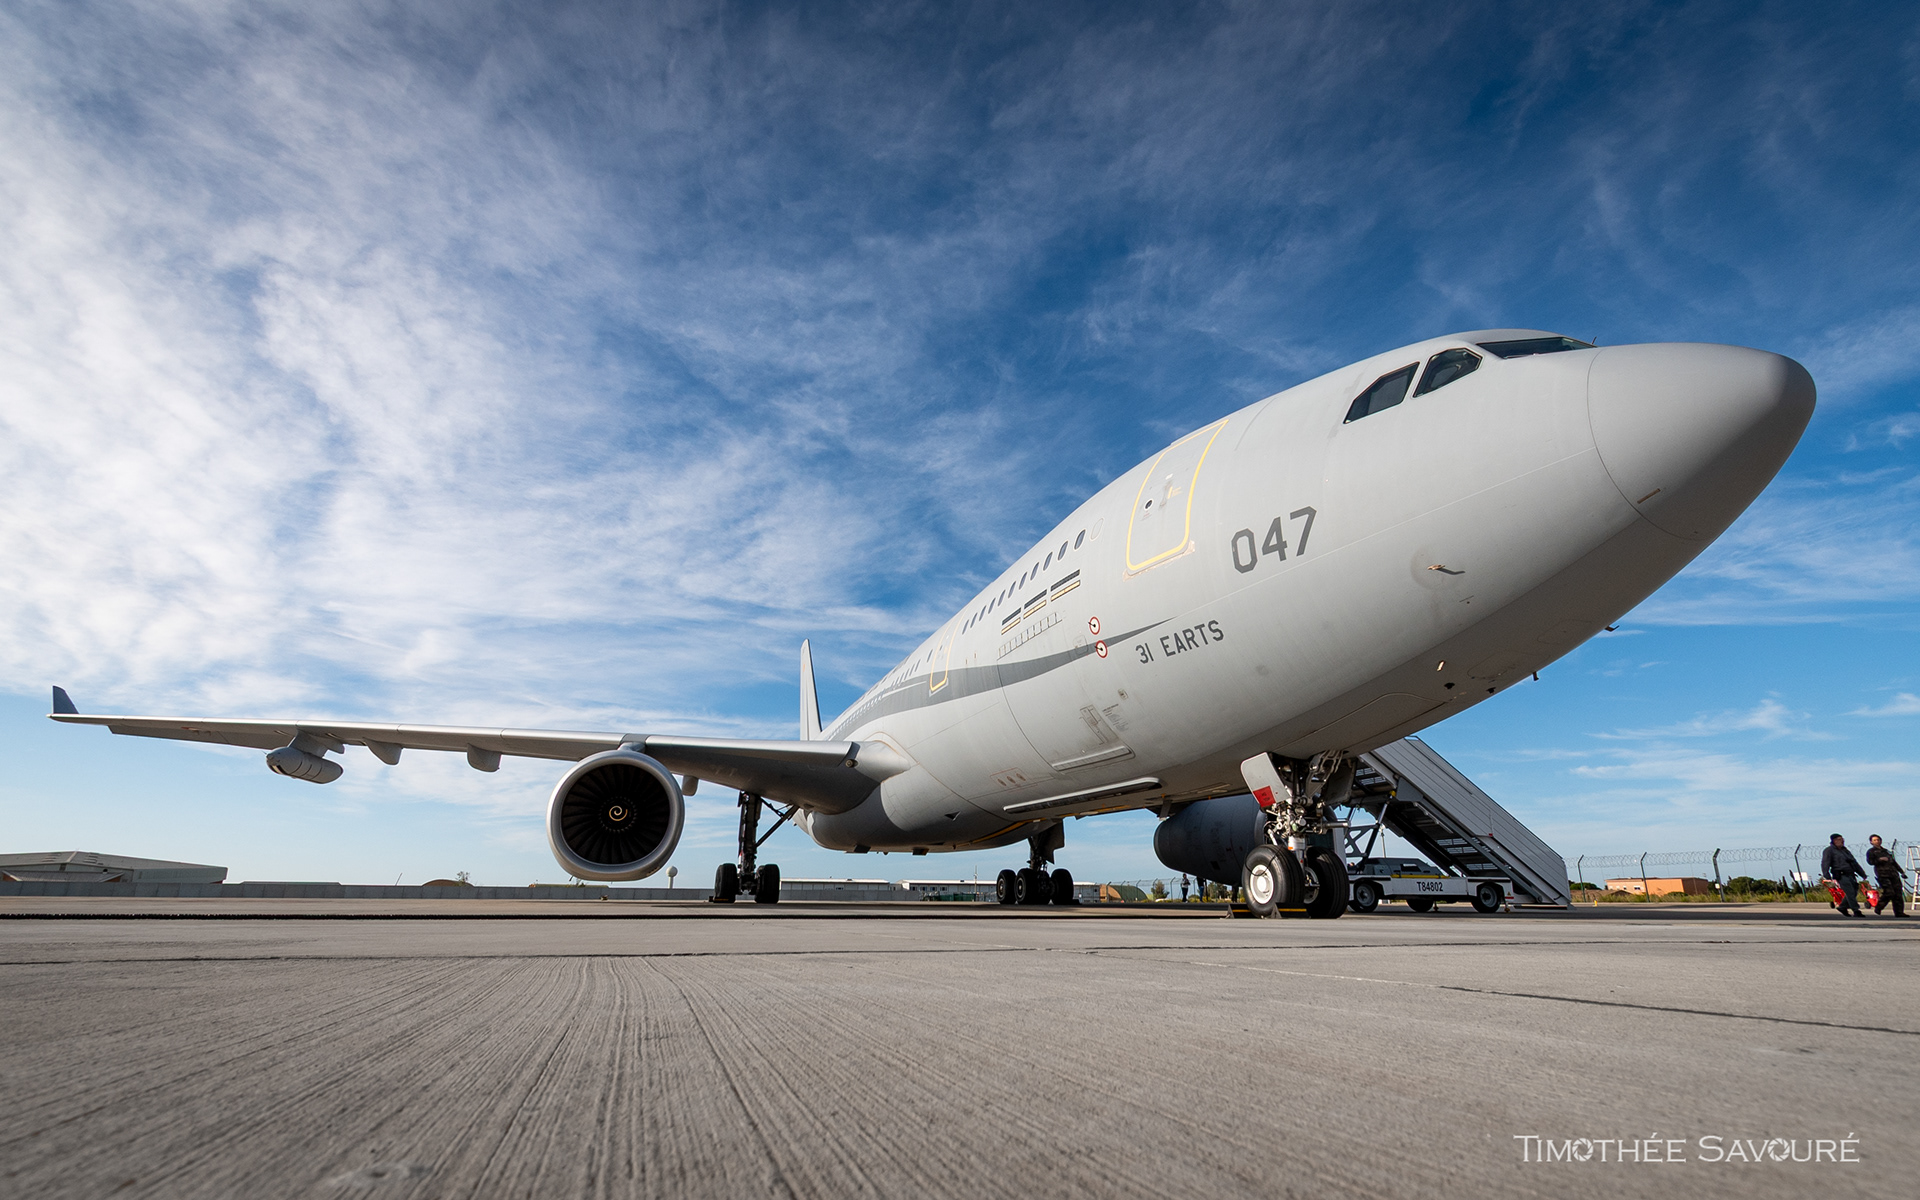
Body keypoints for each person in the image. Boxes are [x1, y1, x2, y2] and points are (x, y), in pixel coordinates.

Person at [1821, 834, 1867, 918]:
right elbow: (1825, 863)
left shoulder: (1845, 851)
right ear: (1834, 841)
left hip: (1851, 874)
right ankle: (1856, 910)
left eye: (1842, 839)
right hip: (1841, 874)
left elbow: (1854, 862)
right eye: (1839, 839)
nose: (1842, 841)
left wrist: (1862, 873)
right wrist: (1826, 875)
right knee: (1850, 892)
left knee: (1854, 891)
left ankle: (1842, 907)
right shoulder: (1829, 850)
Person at [1865, 835, 1908, 918]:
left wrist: (1901, 872)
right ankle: (1879, 907)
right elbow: (1870, 862)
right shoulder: (1871, 851)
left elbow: (1893, 862)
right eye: (1874, 840)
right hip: (1882, 874)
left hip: (1893, 874)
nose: (1877, 841)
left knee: (1898, 894)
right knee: (1889, 892)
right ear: (1871, 842)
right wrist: (1879, 860)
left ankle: (1899, 912)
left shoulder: (1886, 851)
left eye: (1878, 840)